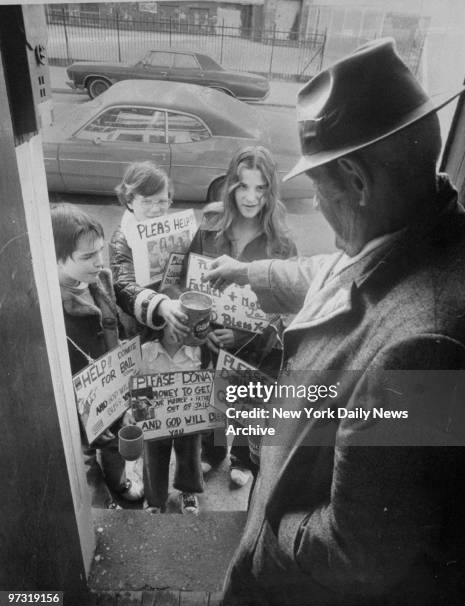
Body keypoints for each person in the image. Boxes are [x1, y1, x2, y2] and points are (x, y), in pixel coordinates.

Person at [205, 39, 465, 606]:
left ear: (357, 180)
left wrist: (269, 543)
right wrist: (250, 273)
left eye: (318, 189)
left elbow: (360, 549)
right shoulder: (424, 230)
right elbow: (340, 274)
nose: (317, 206)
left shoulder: (420, 350)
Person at [186, 145, 297, 486]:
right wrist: (201, 327)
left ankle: (243, 458)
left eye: (260, 188)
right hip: (210, 340)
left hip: (257, 349)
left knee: (249, 403)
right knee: (215, 396)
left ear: (271, 190)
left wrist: (243, 334)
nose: (250, 197)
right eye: (243, 186)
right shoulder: (210, 226)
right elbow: (188, 284)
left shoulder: (282, 243)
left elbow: (288, 311)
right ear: (230, 185)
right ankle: (214, 450)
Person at [51, 204, 143, 509]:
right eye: (87, 257)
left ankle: (119, 481)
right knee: (83, 456)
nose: (99, 263)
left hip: (110, 388)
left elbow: (117, 325)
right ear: (56, 259)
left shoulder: (101, 280)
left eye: (100, 252)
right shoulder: (48, 302)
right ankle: (100, 501)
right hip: (76, 402)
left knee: (115, 441)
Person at [138, 286, 208, 516]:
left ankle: (188, 490)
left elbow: (210, 380)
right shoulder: (145, 351)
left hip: (188, 413)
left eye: (186, 327)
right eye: (174, 325)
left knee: (190, 454)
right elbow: (135, 383)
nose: (180, 332)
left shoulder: (199, 352)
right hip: (154, 415)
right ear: (159, 324)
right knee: (153, 458)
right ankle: (155, 500)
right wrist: (137, 411)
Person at [110, 161, 189, 342]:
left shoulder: (175, 230)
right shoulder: (122, 238)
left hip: (177, 321)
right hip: (142, 332)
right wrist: (160, 305)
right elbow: (123, 286)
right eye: (146, 202)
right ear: (129, 201)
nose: (155, 209)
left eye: (162, 201)